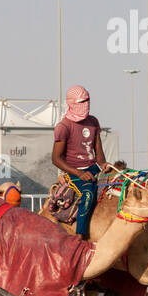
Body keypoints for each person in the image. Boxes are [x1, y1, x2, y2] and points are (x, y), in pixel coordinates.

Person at [52, 84, 108, 239]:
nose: (86, 104)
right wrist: (79, 173)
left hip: (94, 167)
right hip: (75, 171)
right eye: (82, 101)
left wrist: (103, 165)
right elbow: (55, 158)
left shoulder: (93, 122)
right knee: (89, 194)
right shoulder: (64, 126)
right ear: (72, 103)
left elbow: (99, 152)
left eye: (88, 100)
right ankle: (80, 234)